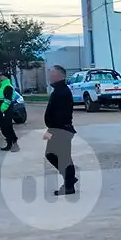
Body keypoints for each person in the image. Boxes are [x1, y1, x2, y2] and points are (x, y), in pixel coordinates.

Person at [43, 65, 77, 195]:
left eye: (53, 75)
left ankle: (69, 185)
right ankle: (69, 179)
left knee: (62, 157)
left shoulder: (61, 92)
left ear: (60, 76)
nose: (50, 77)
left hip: (61, 130)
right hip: (60, 130)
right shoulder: (59, 91)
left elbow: (60, 116)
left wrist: (51, 131)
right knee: (55, 155)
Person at [0, 74, 19, 152]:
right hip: (3, 110)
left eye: (1, 75)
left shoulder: (8, 86)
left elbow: (8, 99)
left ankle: (14, 143)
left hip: (6, 110)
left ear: (5, 77)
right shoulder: (1, 86)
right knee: (4, 127)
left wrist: (3, 108)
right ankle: (9, 144)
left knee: (7, 127)